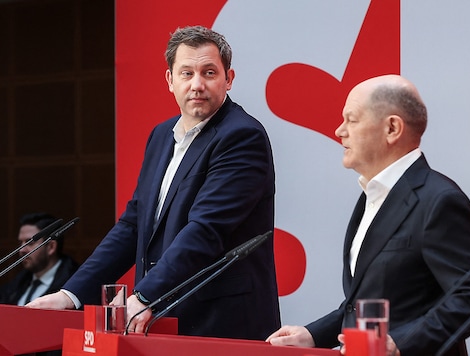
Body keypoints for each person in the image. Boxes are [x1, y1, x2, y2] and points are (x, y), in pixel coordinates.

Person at [28, 25, 281, 340]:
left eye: (209, 73)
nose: (197, 85)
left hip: (221, 324)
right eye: (186, 73)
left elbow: (206, 230)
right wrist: (71, 294)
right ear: (170, 80)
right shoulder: (162, 135)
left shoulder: (241, 136)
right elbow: (133, 225)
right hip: (160, 319)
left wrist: (145, 295)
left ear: (228, 79)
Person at [266, 75, 470, 355]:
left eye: (351, 120)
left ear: (391, 128)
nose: (340, 131)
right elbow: (367, 301)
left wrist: (400, 343)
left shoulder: (439, 201)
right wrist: (313, 335)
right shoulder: (372, 195)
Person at [0, 212, 79, 306]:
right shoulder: (16, 284)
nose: (22, 250)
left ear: (51, 247)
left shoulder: (75, 284)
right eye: (20, 243)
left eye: (30, 243)